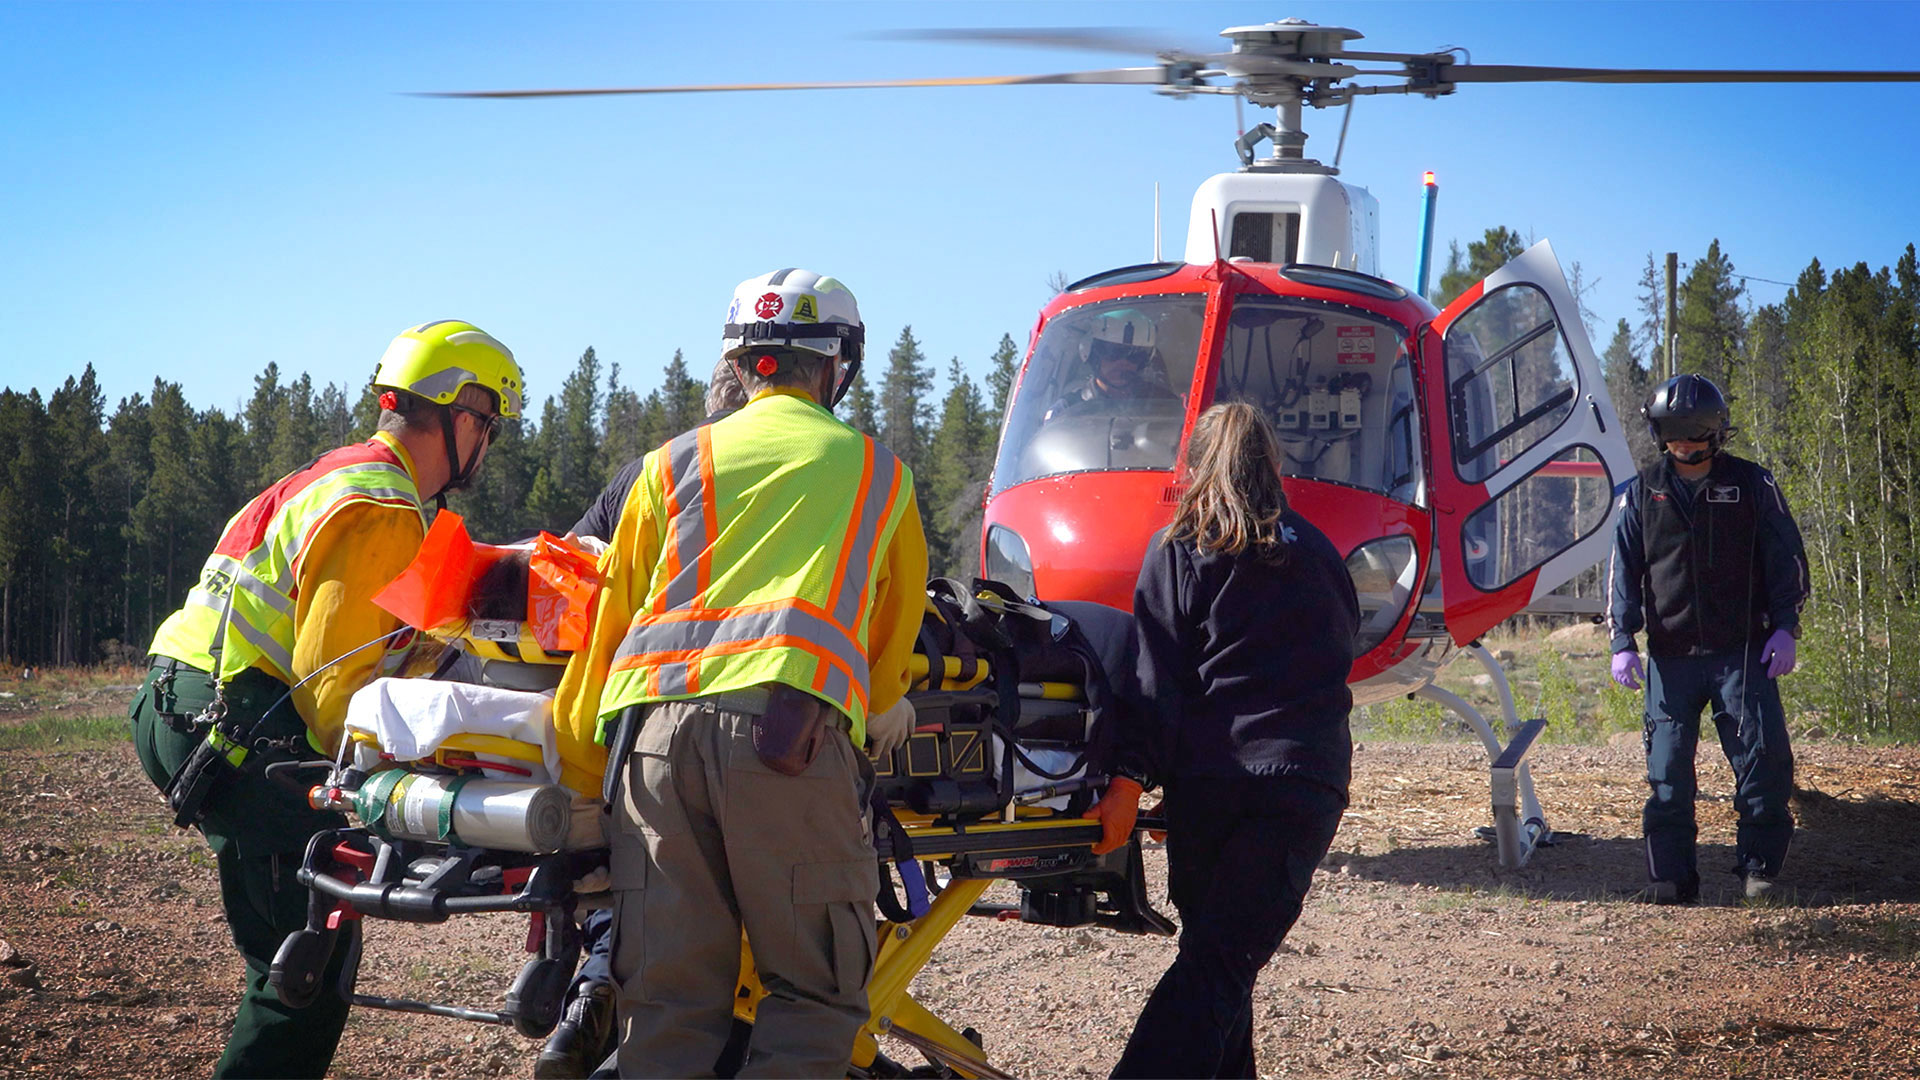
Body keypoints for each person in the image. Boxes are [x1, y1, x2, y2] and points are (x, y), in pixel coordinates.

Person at [551, 267, 926, 1077]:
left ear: (740, 362)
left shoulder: (669, 465)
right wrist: (885, 702)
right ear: (835, 366)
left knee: (667, 1001)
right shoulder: (877, 473)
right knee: (814, 993)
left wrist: (584, 779)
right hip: (785, 741)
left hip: (649, 748)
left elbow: (606, 625)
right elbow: (891, 640)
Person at [128, 320, 523, 1079]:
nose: (486, 445)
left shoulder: (332, 474)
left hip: (181, 700)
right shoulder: (380, 505)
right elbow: (330, 689)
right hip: (240, 725)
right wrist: (438, 762)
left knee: (292, 947)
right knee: (304, 968)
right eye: (490, 427)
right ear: (462, 414)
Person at [1087, 401, 1359, 1078]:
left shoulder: (1179, 548)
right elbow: (1343, 651)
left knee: (1214, 968)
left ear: (1195, 466)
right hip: (1305, 784)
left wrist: (1126, 781)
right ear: (1272, 463)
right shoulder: (1320, 552)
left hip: (1214, 784)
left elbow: (1154, 683)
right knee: (1221, 967)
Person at [536, 357, 749, 1080]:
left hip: (624, 716)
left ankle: (594, 987)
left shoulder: (648, 473)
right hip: (744, 720)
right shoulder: (801, 475)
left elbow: (562, 588)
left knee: (630, 869)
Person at [1607, 373, 1809, 904]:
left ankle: (1759, 871)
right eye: (1675, 437)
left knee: (1763, 765)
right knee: (1668, 773)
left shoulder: (1751, 484)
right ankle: (1673, 878)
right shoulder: (1641, 494)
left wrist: (1786, 626)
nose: (1685, 447)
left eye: (1695, 437)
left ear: (1716, 434)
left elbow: (1786, 557)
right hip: (1670, 658)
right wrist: (1621, 641)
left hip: (1741, 653)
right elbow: (1623, 571)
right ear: (1660, 436)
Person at [1043, 308, 1180, 422]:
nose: (1124, 362)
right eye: (1113, 353)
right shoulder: (1067, 410)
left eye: (1135, 356)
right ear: (1092, 353)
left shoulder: (1165, 406)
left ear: (1145, 360)